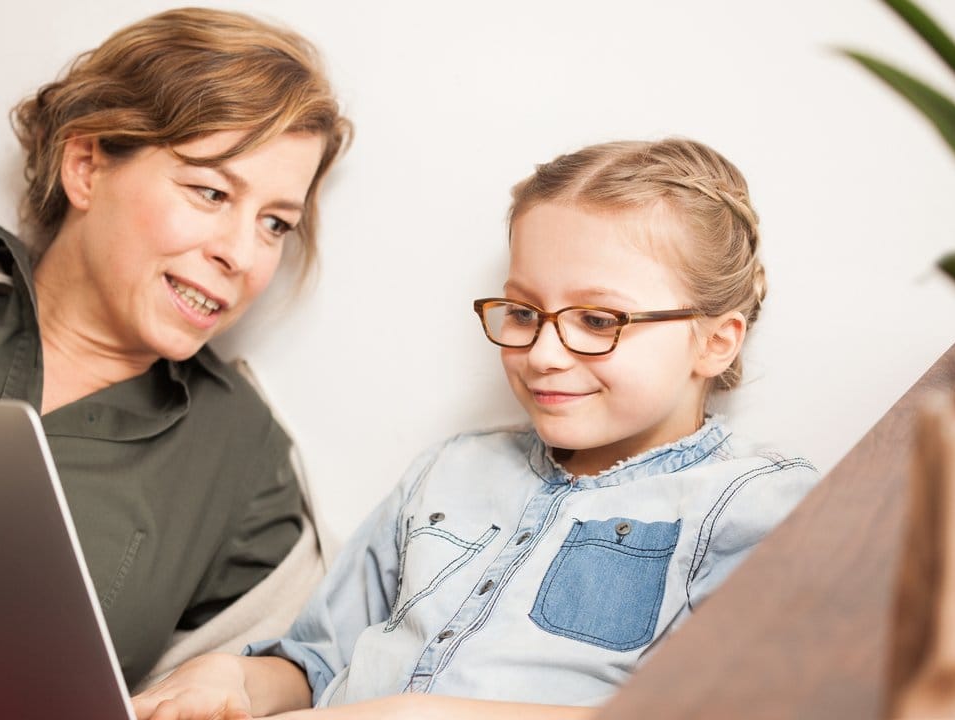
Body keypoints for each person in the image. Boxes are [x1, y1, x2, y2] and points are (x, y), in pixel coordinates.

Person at [132, 137, 821, 719]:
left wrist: (426, 714)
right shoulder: (452, 470)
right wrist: (236, 679)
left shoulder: (755, 503)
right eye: (523, 312)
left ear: (715, 342)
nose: (543, 353)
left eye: (597, 321)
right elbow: (316, 659)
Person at [0, 6, 351, 714]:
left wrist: (238, 683)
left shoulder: (242, 458)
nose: (241, 254)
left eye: (276, 224)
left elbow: (309, 661)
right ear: (85, 167)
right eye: (211, 192)